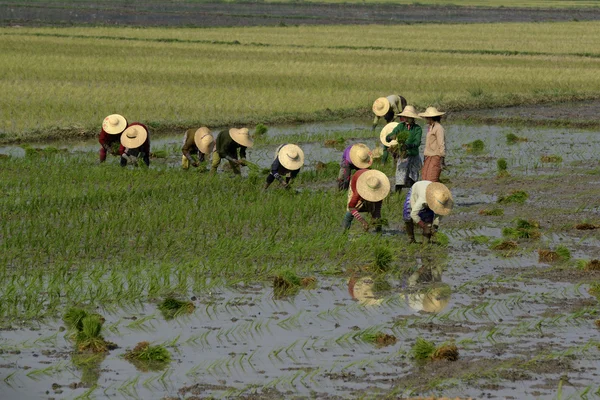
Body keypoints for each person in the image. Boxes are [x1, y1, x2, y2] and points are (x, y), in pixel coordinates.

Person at [385, 105, 423, 196]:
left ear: (413, 118)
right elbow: (389, 136)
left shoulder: (417, 129)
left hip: (413, 155)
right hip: (403, 156)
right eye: (405, 117)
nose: (406, 119)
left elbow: (417, 142)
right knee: (400, 176)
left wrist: (408, 146)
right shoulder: (400, 126)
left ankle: (412, 196)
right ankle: (398, 196)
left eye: (408, 117)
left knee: (413, 177)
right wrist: (390, 137)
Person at [419, 107, 446, 182]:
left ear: (431, 118)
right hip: (428, 156)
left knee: (432, 178)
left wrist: (442, 159)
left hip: (435, 156)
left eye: (427, 118)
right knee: (425, 177)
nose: (426, 119)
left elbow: (441, 143)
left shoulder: (438, 128)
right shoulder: (430, 127)